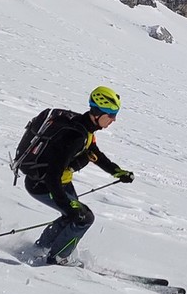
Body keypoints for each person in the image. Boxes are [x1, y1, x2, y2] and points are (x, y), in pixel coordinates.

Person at [21, 86, 133, 265]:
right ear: (98, 113)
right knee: (83, 218)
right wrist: (66, 203)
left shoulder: (85, 129)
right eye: (111, 115)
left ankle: (41, 248)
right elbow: (52, 174)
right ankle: (58, 257)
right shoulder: (76, 136)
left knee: (71, 216)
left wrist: (117, 172)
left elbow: (94, 153)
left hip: (59, 183)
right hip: (43, 185)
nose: (114, 120)